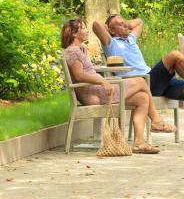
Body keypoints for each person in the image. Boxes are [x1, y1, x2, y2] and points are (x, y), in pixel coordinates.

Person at [93, 15, 184, 147]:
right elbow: (96, 24)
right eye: (120, 24)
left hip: (156, 80)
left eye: (125, 22)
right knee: (175, 55)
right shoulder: (111, 43)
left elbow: (139, 22)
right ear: (111, 30)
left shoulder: (131, 39)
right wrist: (108, 28)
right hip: (143, 82)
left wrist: (123, 24)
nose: (125, 25)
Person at [61, 18, 160, 154]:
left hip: (97, 90)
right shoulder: (72, 51)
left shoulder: (81, 48)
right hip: (92, 94)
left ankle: (139, 143)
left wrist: (103, 80)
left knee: (142, 98)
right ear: (74, 33)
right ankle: (157, 120)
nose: (86, 30)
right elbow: (79, 76)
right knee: (140, 81)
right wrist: (103, 81)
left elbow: (87, 70)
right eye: (83, 28)